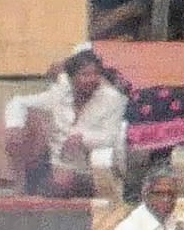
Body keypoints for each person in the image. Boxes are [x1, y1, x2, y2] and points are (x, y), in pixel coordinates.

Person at [7, 49, 127, 197]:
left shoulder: (112, 98)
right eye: (85, 75)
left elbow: (111, 137)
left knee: (61, 182)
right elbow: (18, 102)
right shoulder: (59, 95)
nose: (92, 79)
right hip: (57, 165)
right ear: (71, 78)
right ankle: (23, 190)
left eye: (96, 74)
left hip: (94, 168)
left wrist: (82, 139)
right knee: (55, 179)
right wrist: (15, 126)